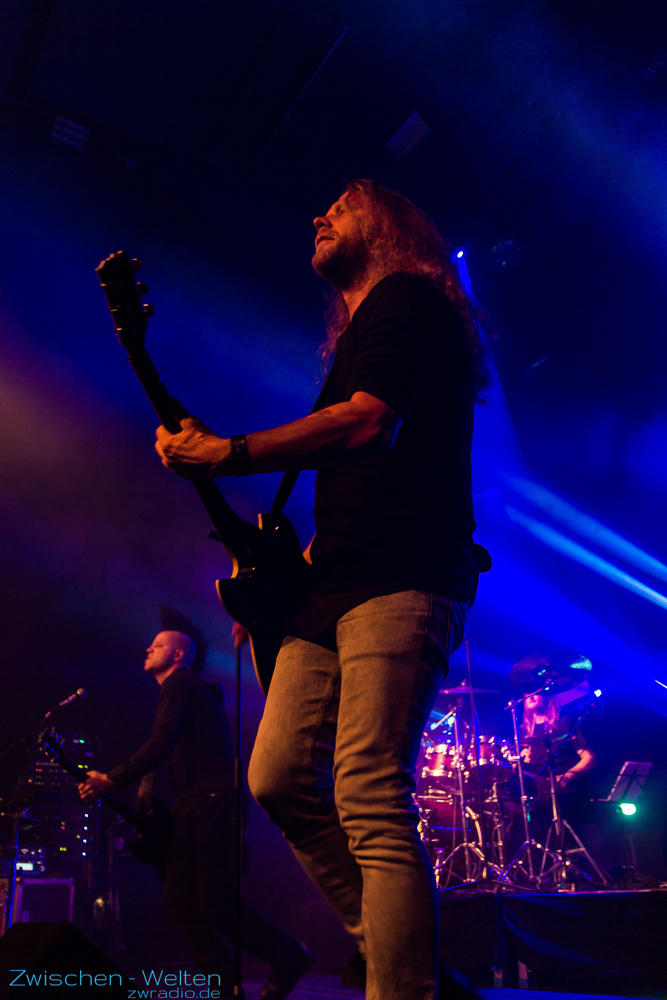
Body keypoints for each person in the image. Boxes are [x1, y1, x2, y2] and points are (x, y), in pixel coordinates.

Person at [153, 180, 489, 1000]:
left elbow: (370, 424)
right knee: (275, 779)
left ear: (388, 226)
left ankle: (402, 986)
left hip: (402, 572)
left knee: (368, 789)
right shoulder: (361, 334)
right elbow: (359, 482)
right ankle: (397, 952)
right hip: (330, 584)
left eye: (341, 204)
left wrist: (226, 453)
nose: (318, 215)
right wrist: (279, 578)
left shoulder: (406, 298)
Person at [78, 607, 311, 1000]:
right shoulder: (185, 688)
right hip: (200, 805)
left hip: (212, 804)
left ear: (178, 654)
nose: (147, 649)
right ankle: (228, 982)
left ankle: (286, 956)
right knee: (182, 901)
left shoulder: (181, 683)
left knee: (211, 902)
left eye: (157, 645)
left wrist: (112, 778)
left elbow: (161, 743)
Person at [519, 690, 597, 830]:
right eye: (527, 693)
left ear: (548, 695)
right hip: (542, 795)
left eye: (536, 692)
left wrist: (568, 776)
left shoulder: (564, 722)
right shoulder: (526, 730)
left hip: (569, 793)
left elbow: (589, 757)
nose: (531, 696)